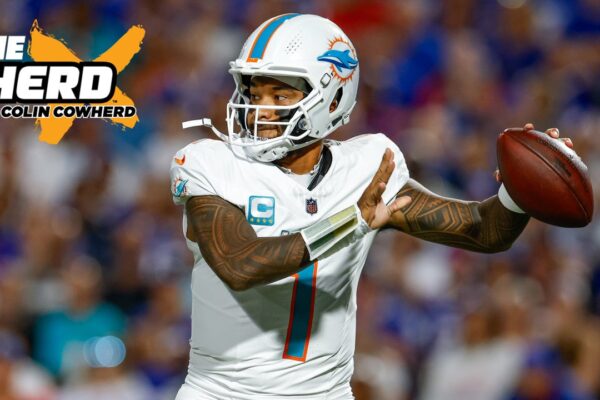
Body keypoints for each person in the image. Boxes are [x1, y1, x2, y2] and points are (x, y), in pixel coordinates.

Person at [170, 14, 573, 400]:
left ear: (331, 97)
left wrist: (521, 190)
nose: (261, 109)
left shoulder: (365, 168)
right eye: (254, 93)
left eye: (280, 95)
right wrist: (351, 222)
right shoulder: (210, 163)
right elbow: (241, 264)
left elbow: (485, 230)